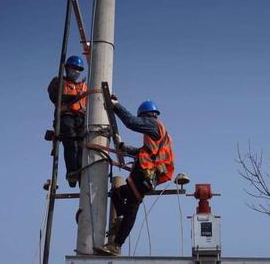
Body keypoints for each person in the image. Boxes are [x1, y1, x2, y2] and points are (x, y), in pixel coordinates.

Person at [100, 98, 175, 256]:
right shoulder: (159, 134)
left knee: (131, 209)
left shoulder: (153, 124)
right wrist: (124, 147)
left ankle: (116, 244)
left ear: (146, 115)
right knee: (117, 194)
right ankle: (120, 224)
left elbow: (130, 122)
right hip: (146, 177)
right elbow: (143, 152)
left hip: (143, 175)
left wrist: (116, 106)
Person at [48, 55, 87, 188]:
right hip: (66, 116)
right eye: (74, 68)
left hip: (81, 118)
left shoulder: (83, 86)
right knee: (71, 142)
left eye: (79, 69)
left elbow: (93, 100)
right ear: (67, 68)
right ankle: (72, 172)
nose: (76, 71)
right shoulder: (58, 82)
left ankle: (80, 170)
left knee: (82, 144)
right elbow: (55, 96)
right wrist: (73, 97)